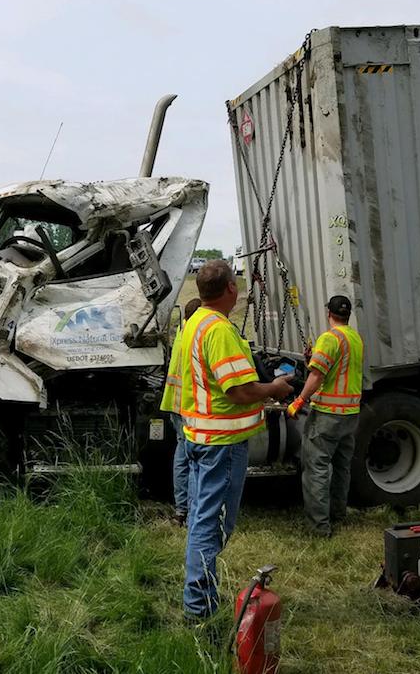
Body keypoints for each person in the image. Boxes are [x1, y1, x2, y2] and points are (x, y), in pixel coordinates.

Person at [179, 260, 293, 619]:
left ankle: (198, 599)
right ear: (231, 288)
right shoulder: (219, 329)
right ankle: (199, 609)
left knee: (202, 521)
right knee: (212, 527)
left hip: (200, 439)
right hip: (222, 444)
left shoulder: (196, 322)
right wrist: (274, 387)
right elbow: (240, 390)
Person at [287, 295, 364, 537]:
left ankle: (320, 527)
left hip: (328, 414)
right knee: (342, 466)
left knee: (316, 467)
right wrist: (314, 359)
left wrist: (299, 401)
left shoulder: (329, 338)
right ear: (347, 314)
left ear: (328, 313)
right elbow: (339, 369)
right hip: (350, 413)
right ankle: (338, 514)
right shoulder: (354, 337)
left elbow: (317, 375)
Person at [160, 297, 201, 526]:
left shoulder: (182, 330)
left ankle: (181, 510)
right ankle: (190, 512)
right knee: (193, 459)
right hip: (188, 405)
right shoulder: (194, 334)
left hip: (175, 404)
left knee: (182, 457)